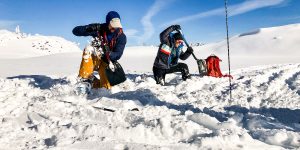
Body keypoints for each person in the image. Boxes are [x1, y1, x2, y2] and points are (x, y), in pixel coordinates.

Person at [72, 11, 126, 89]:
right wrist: (88, 28)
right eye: (113, 26)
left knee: (105, 89)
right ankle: (84, 81)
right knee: (88, 49)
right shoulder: (99, 29)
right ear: (108, 23)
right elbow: (75, 31)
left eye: (116, 26)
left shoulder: (121, 36)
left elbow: (118, 54)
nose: (115, 28)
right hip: (95, 58)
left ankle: (93, 82)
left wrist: (109, 53)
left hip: (107, 62)